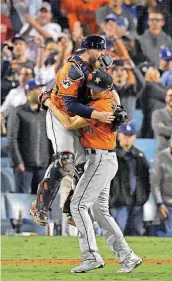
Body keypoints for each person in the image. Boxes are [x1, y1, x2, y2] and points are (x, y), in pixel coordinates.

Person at [43, 70, 142, 273]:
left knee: (78, 205)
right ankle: (128, 256)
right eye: (91, 87)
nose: (92, 91)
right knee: (100, 212)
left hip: (100, 158)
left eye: (96, 89)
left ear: (105, 89)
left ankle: (91, 256)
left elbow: (69, 123)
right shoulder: (101, 99)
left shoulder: (103, 106)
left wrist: (50, 104)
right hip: (101, 158)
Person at [30, 35, 120, 226]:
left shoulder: (97, 64)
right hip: (60, 113)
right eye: (99, 49)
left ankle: (72, 209)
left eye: (103, 50)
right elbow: (70, 106)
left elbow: (111, 90)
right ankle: (40, 205)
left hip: (83, 115)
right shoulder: (72, 70)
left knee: (84, 167)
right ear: (88, 50)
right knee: (64, 160)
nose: (102, 54)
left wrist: (118, 108)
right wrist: (97, 115)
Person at [7, 79, 51, 194]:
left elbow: (50, 140)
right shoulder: (18, 111)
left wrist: (50, 162)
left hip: (42, 165)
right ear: (28, 92)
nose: (41, 91)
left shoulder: (45, 113)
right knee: (21, 201)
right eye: (37, 89)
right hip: (24, 166)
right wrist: (18, 162)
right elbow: (12, 139)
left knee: (40, 204)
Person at [110, 123, 150, 235]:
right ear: (119, 135)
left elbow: (146, 181)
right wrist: (111, 198)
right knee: (117, 234)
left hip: (136, 202)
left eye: (130, 135)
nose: (127, 138)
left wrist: (142, 198)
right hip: (118, 203)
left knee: (136, 234)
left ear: (134, 137)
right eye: (125, 135)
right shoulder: (112, 155)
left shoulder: (140, 156)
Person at [151, 131, 172, 236]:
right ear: (170, 143)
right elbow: (155, 184)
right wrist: (159, 203)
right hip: (167, 204)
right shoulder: (161, 157)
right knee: (170, 234)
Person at [140, 67, 166, 138]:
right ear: (153, 75)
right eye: (157, 74)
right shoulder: (150, 87)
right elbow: (166, 95)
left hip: (152, 121)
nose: (159, 76)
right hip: (151, 123)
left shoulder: (150, 86)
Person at [152, 86, 172, 152]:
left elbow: (164, 130)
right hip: (163, 154)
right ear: (166, 98)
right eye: (170, 95)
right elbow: (159, 130)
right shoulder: (157, 114)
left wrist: (166, 128)